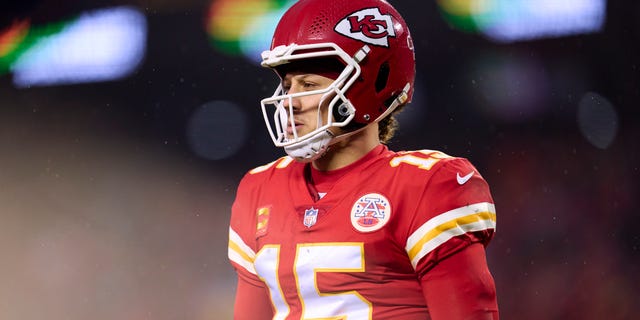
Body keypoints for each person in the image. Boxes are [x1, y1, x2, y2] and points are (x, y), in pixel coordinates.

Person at [227, 0, 499, 319]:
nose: (290, 102)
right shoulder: (259, 189)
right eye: (287, 86)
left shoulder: (425, 186)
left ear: (369, 83)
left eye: (308, 85)